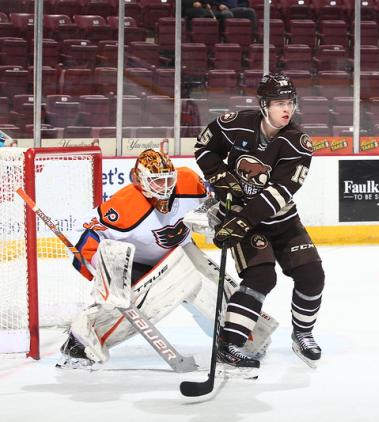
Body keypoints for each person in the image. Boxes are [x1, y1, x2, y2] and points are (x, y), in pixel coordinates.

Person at [57, 149, 275, 369]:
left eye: (168, 179)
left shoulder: (188, 180)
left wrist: (217, 217)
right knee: (141, 306)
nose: (165, 187)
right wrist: (99, 266)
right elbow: (82, 232)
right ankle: (80, 343)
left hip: (182, 250)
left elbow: (212, 202)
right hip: (139, 264)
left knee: (213, 286)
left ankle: (242, 341)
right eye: (157, 181)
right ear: (140, 180)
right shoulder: (125, 205)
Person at [194, 73, 325, 374]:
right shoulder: (234, 123)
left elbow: (280, 192)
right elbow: (204, 148)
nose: (286, 110)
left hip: (279, 219)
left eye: (290, 103)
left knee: (312, 274)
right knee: (262, 277)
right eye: (280, 103)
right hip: (241, 216)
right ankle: (230, 344)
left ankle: (302, 334)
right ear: (264, 104)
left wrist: (240, 223)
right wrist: (221, 179)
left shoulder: (298, 142)